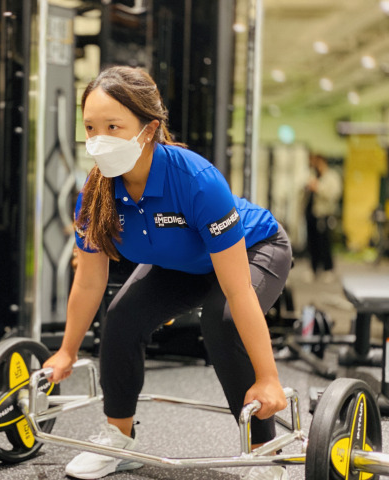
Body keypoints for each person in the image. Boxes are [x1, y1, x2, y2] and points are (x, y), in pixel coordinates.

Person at [43, 66, 293, 480]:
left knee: (222, 319)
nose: (98, 138)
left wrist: (269, 378)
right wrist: (67, 351)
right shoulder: (95, 194)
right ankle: (118, 439)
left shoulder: (196, 181)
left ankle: (263, 452)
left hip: (254, 250)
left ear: (149, 128)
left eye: (113, 126)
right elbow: (89, 281)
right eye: (90, 127)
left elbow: (238, 290)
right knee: (122, 318)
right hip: (185, 264)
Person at [304, 153, 342, 282]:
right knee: (312, 243)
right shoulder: (313, 175)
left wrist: (318, 188)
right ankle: (314, 269)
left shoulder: (331, 177)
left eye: (317, 163)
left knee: (324, 243)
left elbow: (334, 194)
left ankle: (328, 269)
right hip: (311, 214)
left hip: (324, 215)